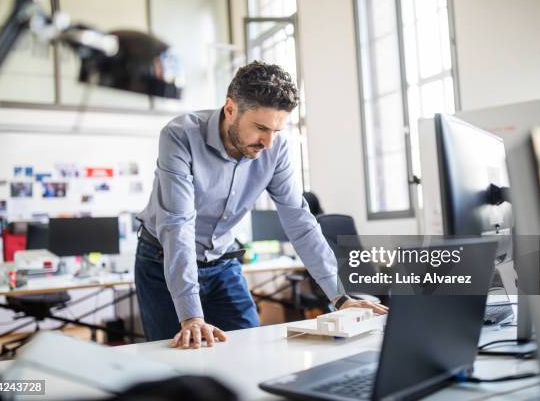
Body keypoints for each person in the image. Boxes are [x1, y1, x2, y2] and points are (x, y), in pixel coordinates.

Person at [135, 61, 387, 349]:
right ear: (230, 109)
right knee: (176, 361)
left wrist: (340, 298)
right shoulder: (180, 135)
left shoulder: (275, 148)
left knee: (249, 351)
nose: (268, 142)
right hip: (162, 258)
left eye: (276, 131)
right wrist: (191, 316)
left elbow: (300, 221)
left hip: (222, 261)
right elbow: (177, 225)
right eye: (260, 128)